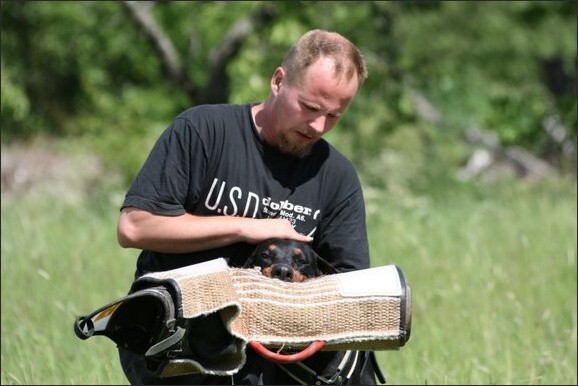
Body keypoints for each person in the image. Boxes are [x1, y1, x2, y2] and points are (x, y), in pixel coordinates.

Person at [116, 29, 380, 385]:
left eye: (334, 115)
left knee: (355, 365)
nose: (318, 126)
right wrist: (245, 227)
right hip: (181, 333)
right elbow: (134, 227)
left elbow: (349, 286)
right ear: (278, 81)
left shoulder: (336, 175)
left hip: (282, 342)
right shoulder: (203, 131)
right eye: (310, 107)